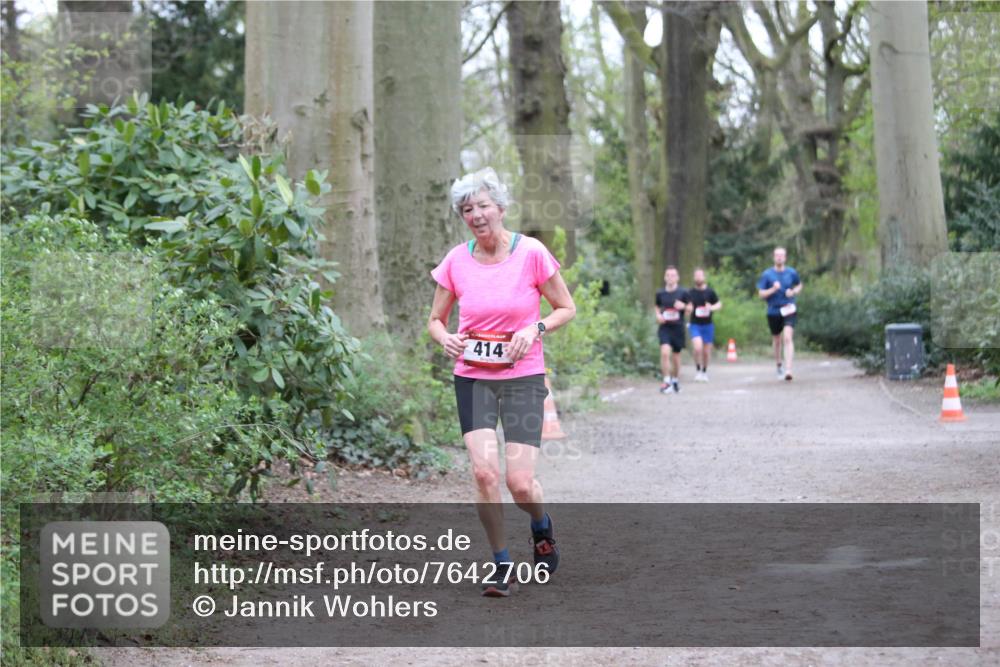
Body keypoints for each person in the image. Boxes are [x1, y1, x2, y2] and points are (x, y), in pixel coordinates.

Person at [428, 168, 576, 597]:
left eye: (483, 206)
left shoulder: (531, 253)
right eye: (467, 209)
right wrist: (446, 338)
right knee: (484, 472)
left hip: (523, 376)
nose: (475, 215)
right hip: (472, 377)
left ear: (502, 208)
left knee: (520, 483)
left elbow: (566, 307)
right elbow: (435, 321)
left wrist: (536, 329)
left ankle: (540, 524)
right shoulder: (456, 261)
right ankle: (501, 564)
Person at [756, 246, 802, 381]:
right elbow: (761, 294)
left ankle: (788, 370)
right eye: (777, 255)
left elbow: (799, 285)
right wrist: (772, 289)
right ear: (773, 257)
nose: (779, 257)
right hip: (773, 310)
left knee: (787, 337)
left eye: (782, 255)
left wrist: (793, 292)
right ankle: (778, 364)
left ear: (785, 257)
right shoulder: (767, 274)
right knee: (777, 340)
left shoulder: (791, 272)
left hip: (789, 308)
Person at [654, 266, 689, 394]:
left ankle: (675, 380)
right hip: (665, 328)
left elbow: (691, 308)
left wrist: (683, 306)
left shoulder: (683, 293)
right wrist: (658, 315)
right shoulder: (660, 293)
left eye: (673, 275)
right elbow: (657, 306)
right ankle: (666, 381)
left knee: (676, 357)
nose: (670, 278)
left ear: (677, 278)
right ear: (664, 277)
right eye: (668, 275)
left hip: (678, 328)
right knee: (664, 353)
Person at [686, 268, 721, 382]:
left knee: (706, 351)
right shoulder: (690, 293)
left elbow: (719, 304)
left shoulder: (710, 292)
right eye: (696, 276)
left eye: (700, 275)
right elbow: (686, 308)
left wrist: (711, 307)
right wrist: (688, 309)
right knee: (697, 348)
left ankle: (704, 371)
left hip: (708, 325)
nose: (698, 278)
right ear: (694, 278)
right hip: (695, 324)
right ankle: (697, 369)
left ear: (704, 277)